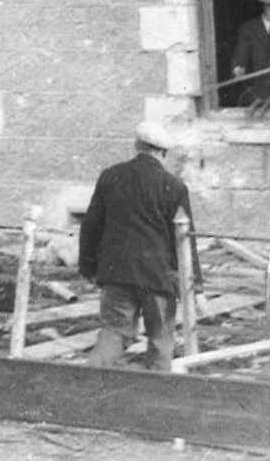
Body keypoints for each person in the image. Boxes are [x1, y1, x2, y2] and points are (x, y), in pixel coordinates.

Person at [78, 121, 197, 370]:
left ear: (137, 146)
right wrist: (196, 284)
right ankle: (154, 396)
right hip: (157, 279)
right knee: (161, 340)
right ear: (163, 153)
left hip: (116, 273)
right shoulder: (174, 187)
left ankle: (85, 381)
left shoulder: (110, 177)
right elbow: (185, 239)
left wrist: (89, 268)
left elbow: (91, 226)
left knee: (114, 332)